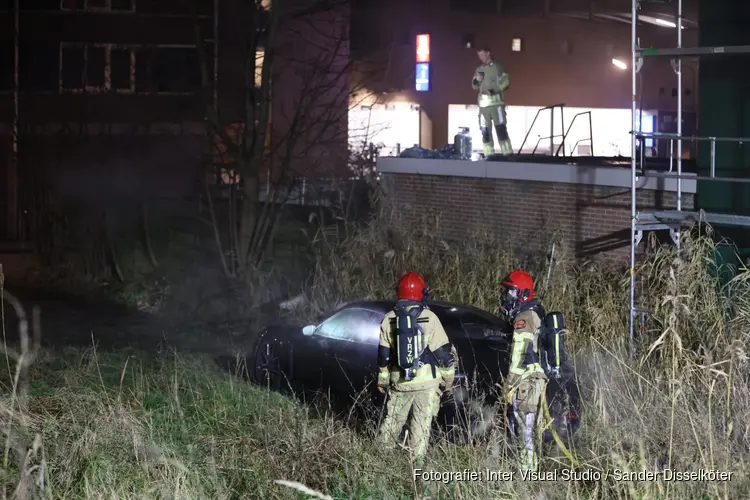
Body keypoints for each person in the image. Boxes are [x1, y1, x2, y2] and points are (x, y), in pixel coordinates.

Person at [376, 272, 455, 462]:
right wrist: (448, 381)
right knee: (420, 427)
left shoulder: (388, 319)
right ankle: (416, 467)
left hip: (401, 382)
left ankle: (379, 459)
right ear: (421, 293)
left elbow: (383, 356)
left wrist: (382, 380)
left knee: (393, 422)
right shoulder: (430, 317)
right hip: (427, 385)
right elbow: (444, 355)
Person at [498, 270, 565, 471]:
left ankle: (527, 476)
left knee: (525, 432)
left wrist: (508, 386)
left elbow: (519, 355)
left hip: (525, 383)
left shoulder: (524, 318)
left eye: (510, 292)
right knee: (529, 430)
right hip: (534, 381)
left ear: (522, 294)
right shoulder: (535, 313)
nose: (505, 296)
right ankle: (530, 469)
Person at [472, 46, 512, 156]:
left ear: (488, 53)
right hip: (483, 106)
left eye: (482, 54)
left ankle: (507, 153)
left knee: (501, 129)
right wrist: (476, 80)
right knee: (485, 131)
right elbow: (474, 86)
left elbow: (506, 82)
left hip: (496, 104)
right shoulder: (479, 69)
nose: (481, 57)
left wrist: (494, 90)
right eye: (479, 55)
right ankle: (488, 154)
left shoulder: (498, 67)